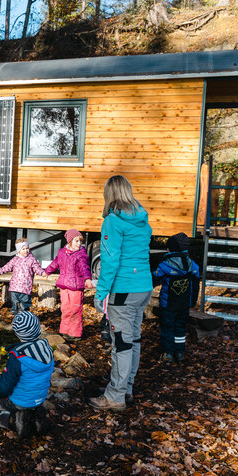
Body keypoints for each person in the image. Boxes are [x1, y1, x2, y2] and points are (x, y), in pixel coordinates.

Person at [88, 175, 153, 412]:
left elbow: (110, 260)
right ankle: (126, 388)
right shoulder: (142, 219)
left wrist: (100, 293)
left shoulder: (113, 222)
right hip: (143, 287)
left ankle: (115, 396)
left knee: (122, 344)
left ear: (110, 193)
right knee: (133, 340)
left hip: (124, 289)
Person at [0, 311, 55, 438]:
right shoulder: (46, 349)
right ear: (38, 329)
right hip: (39, 398)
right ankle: (35, 414)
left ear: (17, 333)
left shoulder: (18, 357)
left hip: (19, 401)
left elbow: (4, 388)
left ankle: (15, 421)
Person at [153, 232, 200, 363]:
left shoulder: (165, 265)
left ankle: (167, 353)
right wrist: (193, 301)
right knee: (180, 327)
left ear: (170, 249)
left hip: (168, 305)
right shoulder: (193, 265)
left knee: (167, 327)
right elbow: (196, 285)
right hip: (184, 304)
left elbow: (155, 278)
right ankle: (180, 352)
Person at [44, 230, 94, 339]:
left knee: (75, 309)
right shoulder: (62, 252)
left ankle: (75, 333)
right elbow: (55, 263)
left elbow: (84, 268)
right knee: (65, 309)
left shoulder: (81, 255)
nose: (79, 244)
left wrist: (87, 278)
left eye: (80, 241)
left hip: (76, 287)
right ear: (70, 241)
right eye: (76, 241)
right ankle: (64, 330)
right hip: (64, 285)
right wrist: (46, 271)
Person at [0, 237, 47, 314]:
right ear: (18, 250)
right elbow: (6, 267)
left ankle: (24, 322)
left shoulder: (31, 259)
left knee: (24, 307)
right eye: (23, 249)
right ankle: (17, 321)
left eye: (27, 248)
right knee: (15, 307)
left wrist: (42, 273)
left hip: (25, 288)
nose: (26, 250)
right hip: (15, 288)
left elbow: (36, 268)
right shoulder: (15, 260)